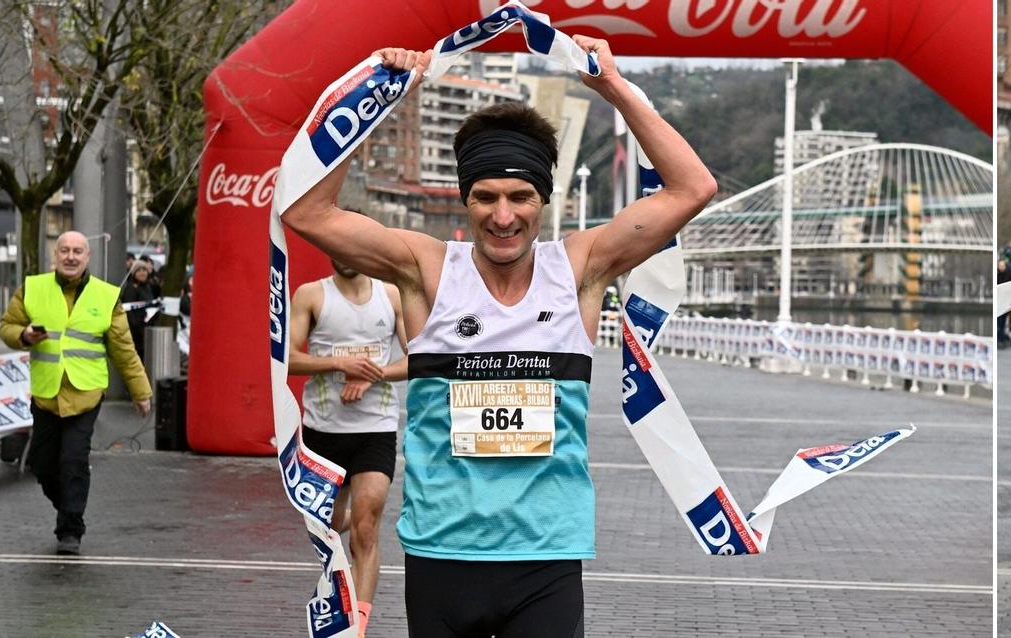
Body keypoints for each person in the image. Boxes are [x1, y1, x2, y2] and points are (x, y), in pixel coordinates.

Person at [281, 41, 715, 637]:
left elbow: (692, 188)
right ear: (466, 198)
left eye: (520, 197)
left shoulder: (579, 269)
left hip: (546, 559)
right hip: (442, 555)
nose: (502, 216)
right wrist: (376, 100)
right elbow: (305, 212)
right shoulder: (425, 268)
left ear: (543, 201)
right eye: (485, 196)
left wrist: (613, 87)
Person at [0, 231, 154, 556]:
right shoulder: (32, 288)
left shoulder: (106, 296)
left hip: (85, 394)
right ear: (55, 255)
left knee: (72, 461)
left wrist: (141, 392)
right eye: (65, 250)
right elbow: (7, 328)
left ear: (87, 257)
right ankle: (68, 507)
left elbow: (124, 350)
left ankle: (70, 529)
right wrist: (24, 336)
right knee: (41, 465)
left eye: (78, 251)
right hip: (46, 393)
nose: (71, 256)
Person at [288, 260, 408, 636]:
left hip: (375, 427)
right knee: (326, 525)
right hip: (323, 429)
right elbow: (288, 358)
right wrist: (339, 363)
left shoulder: (391, 295)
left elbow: (419, 357)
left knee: (366, 529)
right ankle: (349, 514)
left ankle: (357, 624)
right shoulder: (311, 295)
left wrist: (373, 374)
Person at [119, 256, 164, 364]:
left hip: (148, 330)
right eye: (139, 270)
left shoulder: (148, 286)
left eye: (144, 270)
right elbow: (128, 311)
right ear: (134, 273)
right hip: (137, 334)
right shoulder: (131, 289)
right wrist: (137, 328)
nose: (142, 273)